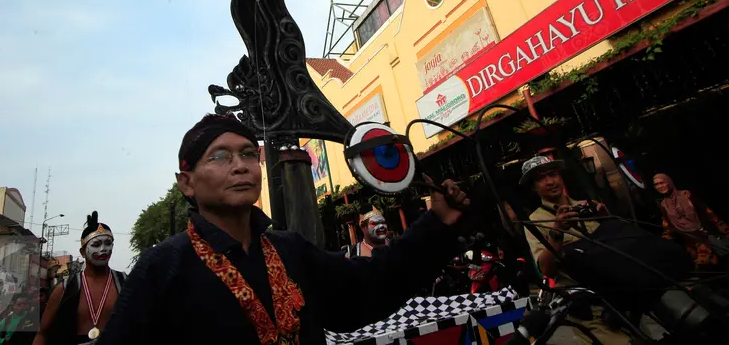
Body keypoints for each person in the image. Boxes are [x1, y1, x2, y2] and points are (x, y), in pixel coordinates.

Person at [98, 113, 469, 345]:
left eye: (247, 154)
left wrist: (436, 224)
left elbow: (370, 287)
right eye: (220, 157)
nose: (241, 166)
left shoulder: (290, 250)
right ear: (187, 183)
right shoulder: (161, 268)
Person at [520, 155, 630, 345]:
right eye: (540, 178)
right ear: (533, 187)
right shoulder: (535, 222)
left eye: (553, 174)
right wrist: (557, 232)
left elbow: (623, 244)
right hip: (590, 308)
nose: (549, 182)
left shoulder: (588, 205)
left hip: (623, 293)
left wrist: (608, 220)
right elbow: (547, 270)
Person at [33, 213, 127, 345]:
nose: (103, 249)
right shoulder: (64, 289)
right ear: (82, 252)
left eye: (108, 243)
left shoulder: (125, 284)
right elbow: (43, 334)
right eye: (96, 244)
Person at [654, 173, 729, 269]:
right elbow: (667, 224)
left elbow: (708, 213)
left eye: (662, 182)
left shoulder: (686, 195)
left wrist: (726, 230)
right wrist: (664, 239)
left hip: (705, 236)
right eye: (656, 184)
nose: (659, 186)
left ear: (669, 182)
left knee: (712, 263)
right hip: (689, 241)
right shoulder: (664, 205)